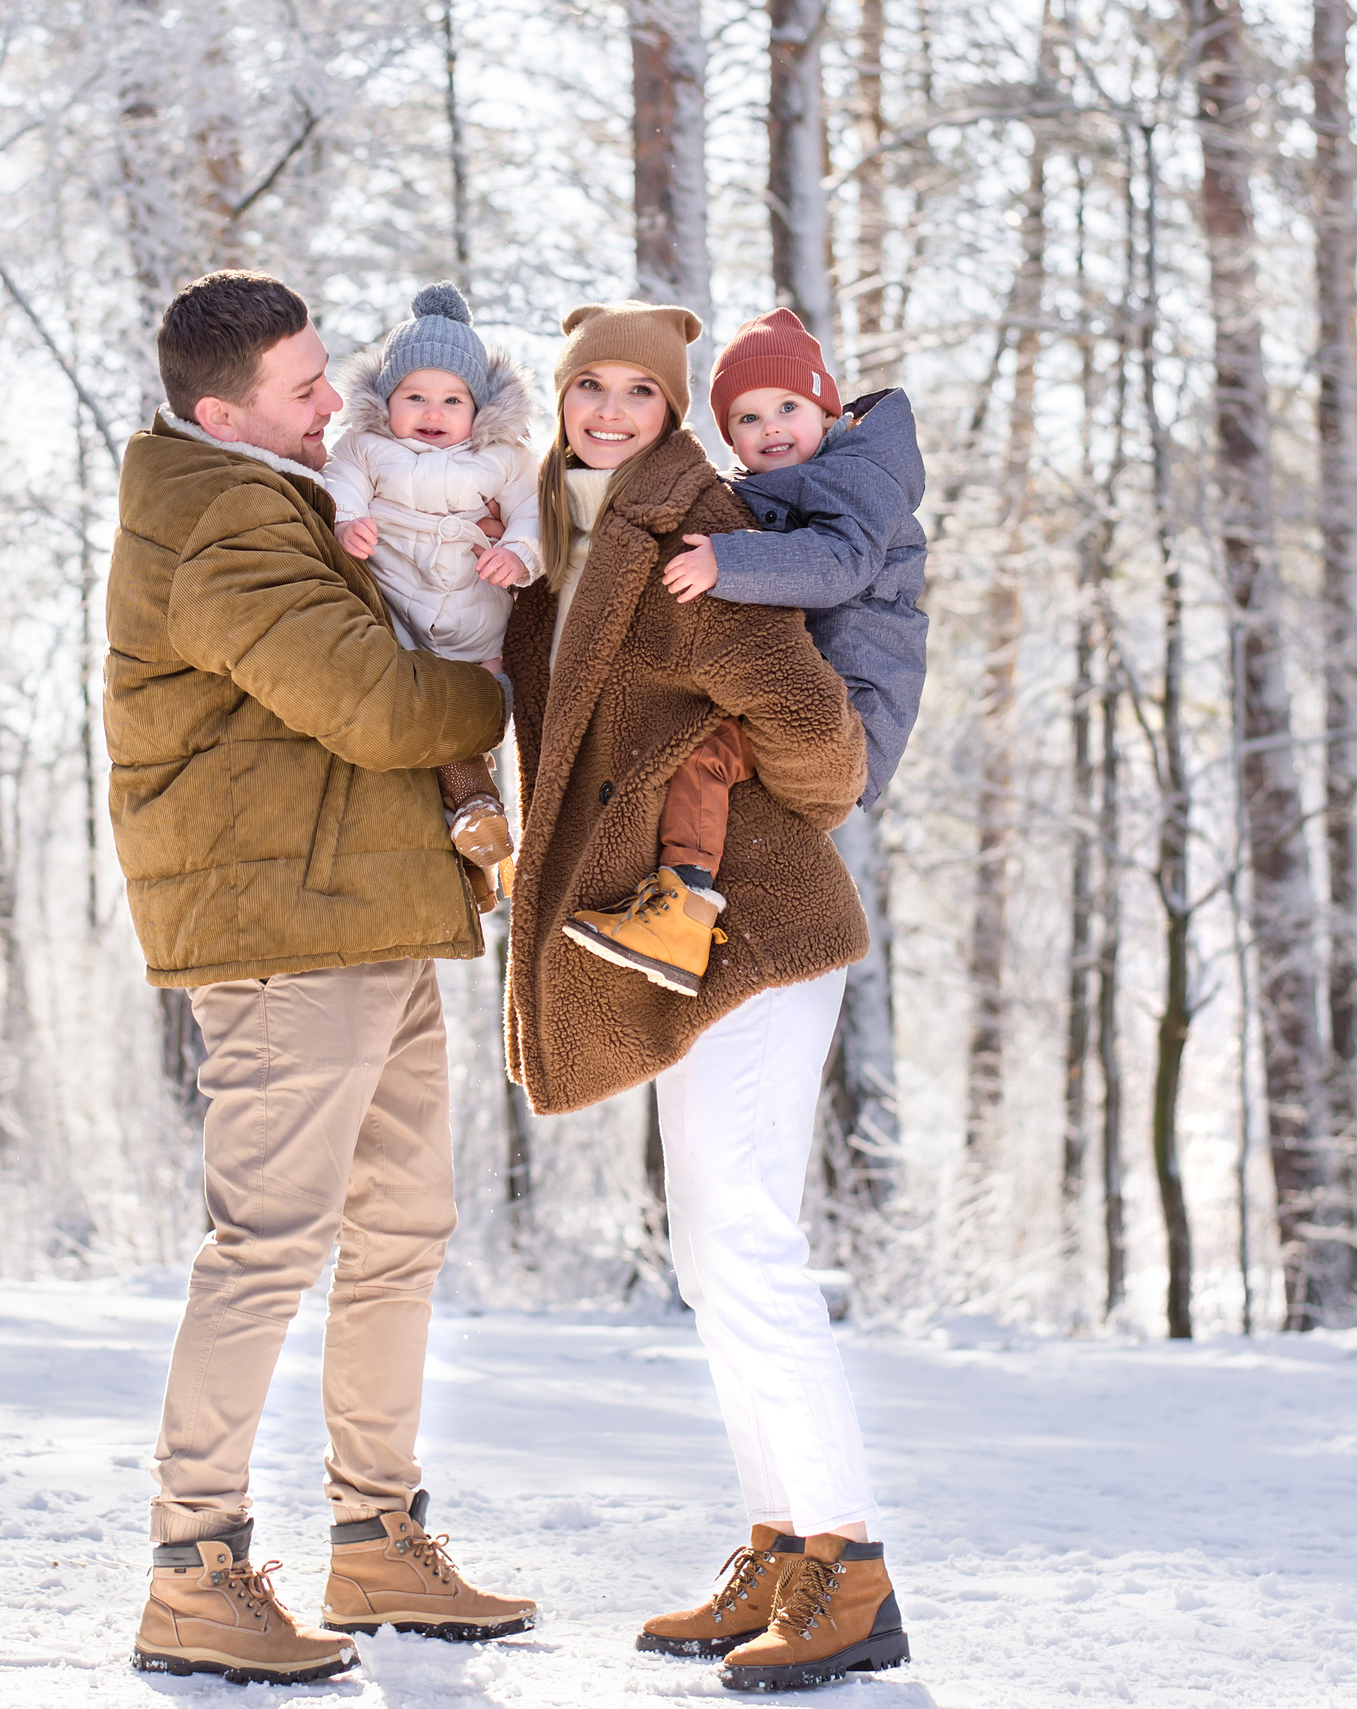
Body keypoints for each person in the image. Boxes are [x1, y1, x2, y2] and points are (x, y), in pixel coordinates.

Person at [105, 269, 538, 1686]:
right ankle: (193, 1565)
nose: (334, 397)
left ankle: (376, 1532)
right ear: (225, 410)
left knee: (402, 1226)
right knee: (268, 1241)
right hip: (284, 927)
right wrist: (515, 686)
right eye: (305, 385)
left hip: (368, 905)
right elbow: (371, 699)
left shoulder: (282, 491)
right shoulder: (221, 517)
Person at [501, 300, 912, 1692]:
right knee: (713, 1252)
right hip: (694, 943)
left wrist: (744, 780)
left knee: (744, 1244)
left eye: (641, 391)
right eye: (590, 387)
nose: (610, 412)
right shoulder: (578, 537)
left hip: (757, 928)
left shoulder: (692, 534)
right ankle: (784, 1545)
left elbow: (822, 744)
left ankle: (851, 1566)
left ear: (674, 412)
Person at [561, 306, 927, 997]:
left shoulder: (859, 479)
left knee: (705, 755)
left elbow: (838, 565)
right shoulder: (792, 480)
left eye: (788, 407)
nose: (771, 429)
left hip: (854, 700)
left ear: (827, 410)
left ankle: (681, 910)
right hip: (818, 689)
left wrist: (727, 561)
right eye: (747, 419)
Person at [326, 282, 541, 892]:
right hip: (399, 611)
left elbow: (533, 513)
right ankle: (474, 816)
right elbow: (339, 484)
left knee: (470, 710)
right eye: (414, 396)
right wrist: (346, 522)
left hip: (476, 616)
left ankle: (477, 835)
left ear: (479, 407)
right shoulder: (364, 447)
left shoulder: (504, 456)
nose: (433, 413)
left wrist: (520, 554)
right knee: (423, 717)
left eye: (452, 399)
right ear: (385, 401)